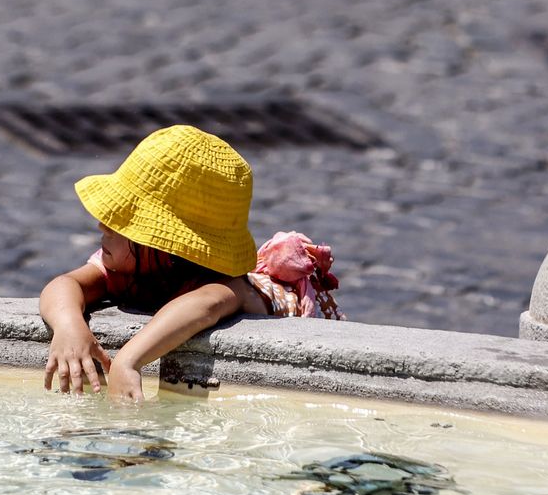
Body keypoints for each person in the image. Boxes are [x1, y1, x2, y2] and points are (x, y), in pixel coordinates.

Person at [38, 124, 343, 402]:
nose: (102, 226)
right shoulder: (126, 264)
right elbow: (66, 284)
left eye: (123, 223)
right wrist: (69, 327)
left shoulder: (227, 287)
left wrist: (128, 360)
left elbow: (203, 305)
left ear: (165, 247)